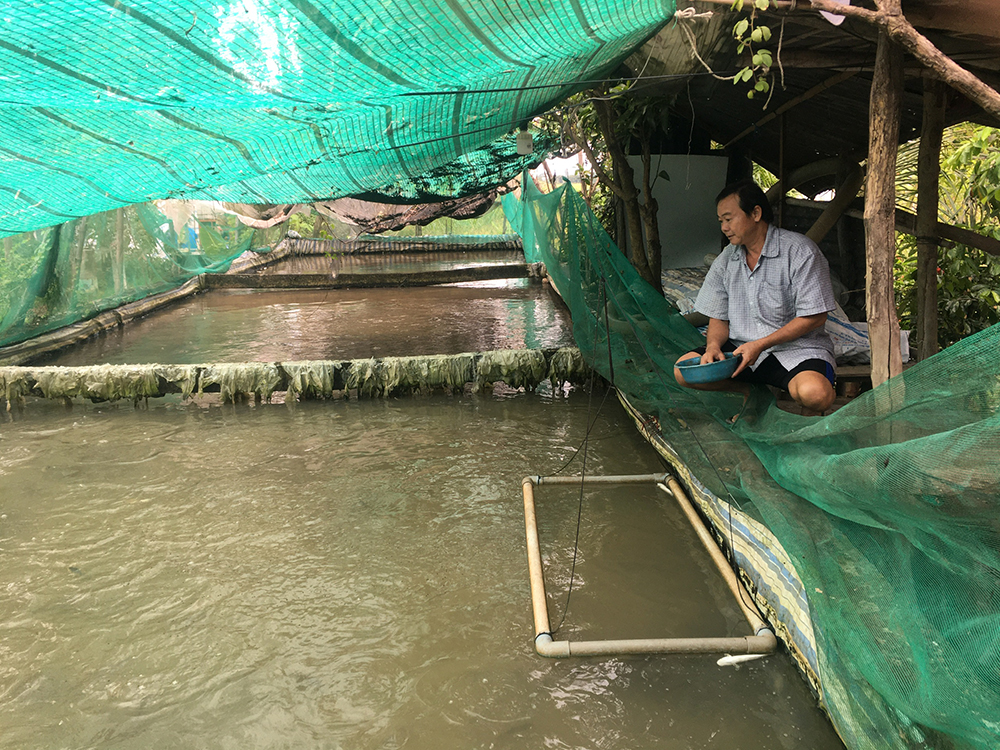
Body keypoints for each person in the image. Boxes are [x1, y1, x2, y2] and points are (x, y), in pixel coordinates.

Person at [673, 179, 837, 416]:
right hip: (739, 351)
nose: (724, 228)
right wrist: (713, 347)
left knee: (816, 395)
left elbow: (815, 317)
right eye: (721, 221)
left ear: (756, 213)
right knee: (683, 371)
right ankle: (752, 394)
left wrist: (760, 345)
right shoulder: (726, 260)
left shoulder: (800, 251)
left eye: (729, 219)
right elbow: (718, 317)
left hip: (795, 349)